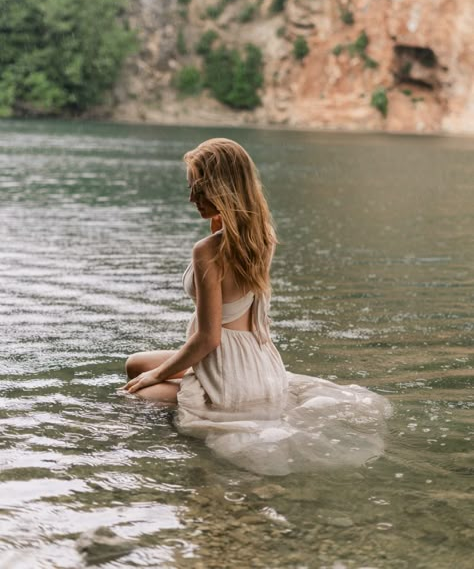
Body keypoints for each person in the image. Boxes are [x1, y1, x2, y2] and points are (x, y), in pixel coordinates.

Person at [121, 138, 391, 475]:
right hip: (259, 361)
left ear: (222, 189)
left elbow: (208, 339)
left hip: (227, 367)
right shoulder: (263, 235)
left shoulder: (207, 251)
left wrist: (157, 375)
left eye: (199, 190)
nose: (191, 199)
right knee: (136, 365)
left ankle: (184, 449)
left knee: (137, 394)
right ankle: (189, 410)